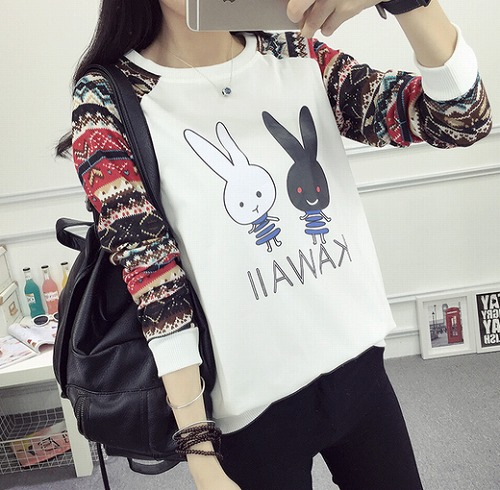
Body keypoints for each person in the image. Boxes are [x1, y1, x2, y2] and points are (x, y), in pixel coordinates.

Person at [57, 0, 491, 488]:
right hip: (253, 412)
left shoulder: (292, 52)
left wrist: (408, 2)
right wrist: (199, 452)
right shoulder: (108, 98)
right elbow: (154, 279)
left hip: (358, 367)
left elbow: (460, 120)